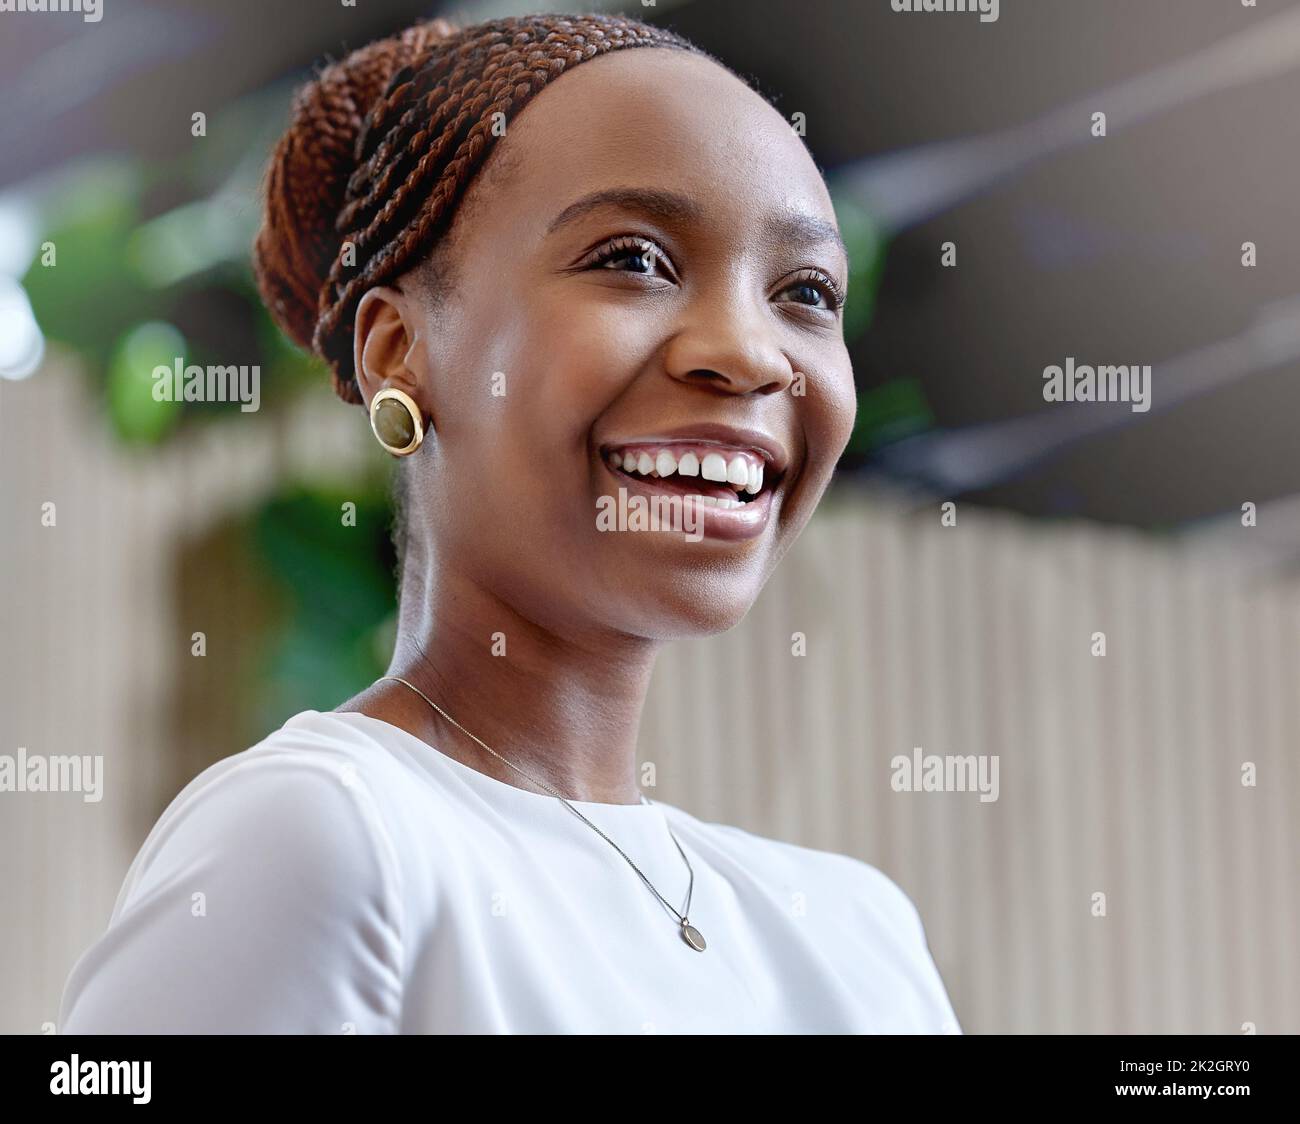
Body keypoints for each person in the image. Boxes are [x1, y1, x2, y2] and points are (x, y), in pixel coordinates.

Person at [58, 11, 961, 1034]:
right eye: (633, 259)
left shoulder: (857, 932)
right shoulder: (326, 835)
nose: (751, 353)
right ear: (398, 352)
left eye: (804, 291)